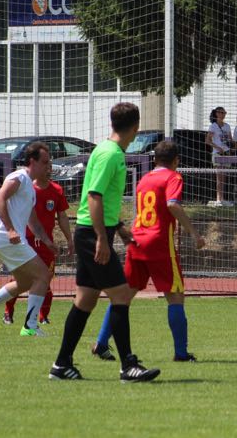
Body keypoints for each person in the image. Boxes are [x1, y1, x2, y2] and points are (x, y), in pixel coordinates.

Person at [49, 102, 161, 381]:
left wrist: (119, 228)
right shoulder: (112, 155)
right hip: (92, 234)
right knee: (121, 295)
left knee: (85, 301)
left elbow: (98, 197)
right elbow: (94, 197)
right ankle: (128, 366)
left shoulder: (104, 149)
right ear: (135, 128)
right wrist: (102, 237)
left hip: (95, 231)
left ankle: (61, 365)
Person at [90, 141, 207, 363]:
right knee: (175, 296)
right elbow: (172, 204)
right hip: (158, 243)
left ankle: (102, 342)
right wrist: (194, 233)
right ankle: (181, 354)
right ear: (176, 161)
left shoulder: (145, 179)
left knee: (123, 296)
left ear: (154, 159)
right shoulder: (173, 177)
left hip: (136, 240)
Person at [0, 143, 59, 337]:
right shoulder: (19, 177)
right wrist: (11, 230)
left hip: (6, 241)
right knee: (43, 276)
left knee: (25, 282)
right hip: (7, 239)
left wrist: (47, 241)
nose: (48, 166)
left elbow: (34, 223)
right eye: (44, 162)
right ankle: (30, 326)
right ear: (32, 161)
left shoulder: (30, 187)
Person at [2, 154, 74, 327]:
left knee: (46, 279)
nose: (49, 169)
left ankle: (42, 317)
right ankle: (8, 312)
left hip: (46, 244)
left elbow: (62, 216)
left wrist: (69, 239)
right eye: (46, 165)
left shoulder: (56, 190)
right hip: (25, 241)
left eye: (50, 166)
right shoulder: (27, 188)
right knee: (20, 280)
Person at [206, 107, 233, 206]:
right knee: (219, 176)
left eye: (224, 112)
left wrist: (230, 148)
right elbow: (208, 140)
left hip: (226, 153)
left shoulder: (227, 126)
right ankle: (218, 198)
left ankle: (223, 198)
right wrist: (217, 147)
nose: (223, 114)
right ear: (217, 114)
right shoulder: (213, 126)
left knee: (224, 177)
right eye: (221, 112)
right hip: (217, 153)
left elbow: (230, 140)